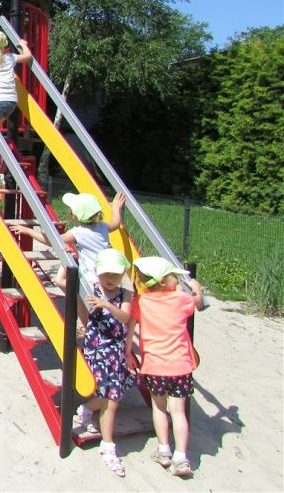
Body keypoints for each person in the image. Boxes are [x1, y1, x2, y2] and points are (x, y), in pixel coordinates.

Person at [126, 256, 205, 479]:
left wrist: (128, 353)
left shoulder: (141, 302)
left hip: (155, 366)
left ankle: (163, 450)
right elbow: (198, 303)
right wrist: (196, 288)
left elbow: (130, 330)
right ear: (163, 281)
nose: (177, 281)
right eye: (174, 277)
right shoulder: (181, 299)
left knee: (159, 408)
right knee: (178, 411)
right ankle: (181, 457)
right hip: (180, 366)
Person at [73, 248, 135, 477]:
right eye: (106, 274)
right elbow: (82, 312)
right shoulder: (91, 289)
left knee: (112, 394)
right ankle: (108, 446)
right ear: (97, 272)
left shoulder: (125, 294)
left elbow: (126, 317)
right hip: (98, 348)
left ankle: (87, 408)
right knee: (112, 397)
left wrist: (107, 305)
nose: (110, 279)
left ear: (122, 275)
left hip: (116, 349)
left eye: (115, 275)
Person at [11, 191, 126, 290]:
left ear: (73, 216)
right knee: (73, 258)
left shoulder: (78, 232)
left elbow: (52, 240)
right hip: (104, 272)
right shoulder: (103, 226)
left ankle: (77, 299)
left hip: (90, 278)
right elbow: (116, 223)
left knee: (59, 281)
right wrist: (116, 208)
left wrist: (28, 231)